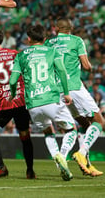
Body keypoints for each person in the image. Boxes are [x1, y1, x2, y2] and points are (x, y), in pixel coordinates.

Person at [9, 25, 77, 181]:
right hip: (51, 98)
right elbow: (61, 71)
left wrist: (13, 95)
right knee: (71, 130)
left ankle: (57, 160)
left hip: (32, 104)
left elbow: (12, 81)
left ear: (29, 39)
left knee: (47, 131)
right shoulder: (52, 51)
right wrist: (66, 93)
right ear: (45, 39)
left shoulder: (21, 55)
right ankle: (63, 156)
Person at [45, 18, 105, 177]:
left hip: (56, 91)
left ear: (56, 28)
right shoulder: (77, 41)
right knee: (99, 121)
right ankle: (82, 152)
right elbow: (86, 66)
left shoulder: (48, 44)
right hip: (74, 87)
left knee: (84, 125)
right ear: (71, 28)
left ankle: (86, 165)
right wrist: (91, 69)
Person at [0, 28, 35, 178]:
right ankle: (30, 170)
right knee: (24, 133)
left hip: (2, 102)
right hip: (20, 99)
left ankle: (1, 167)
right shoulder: (15, 54)